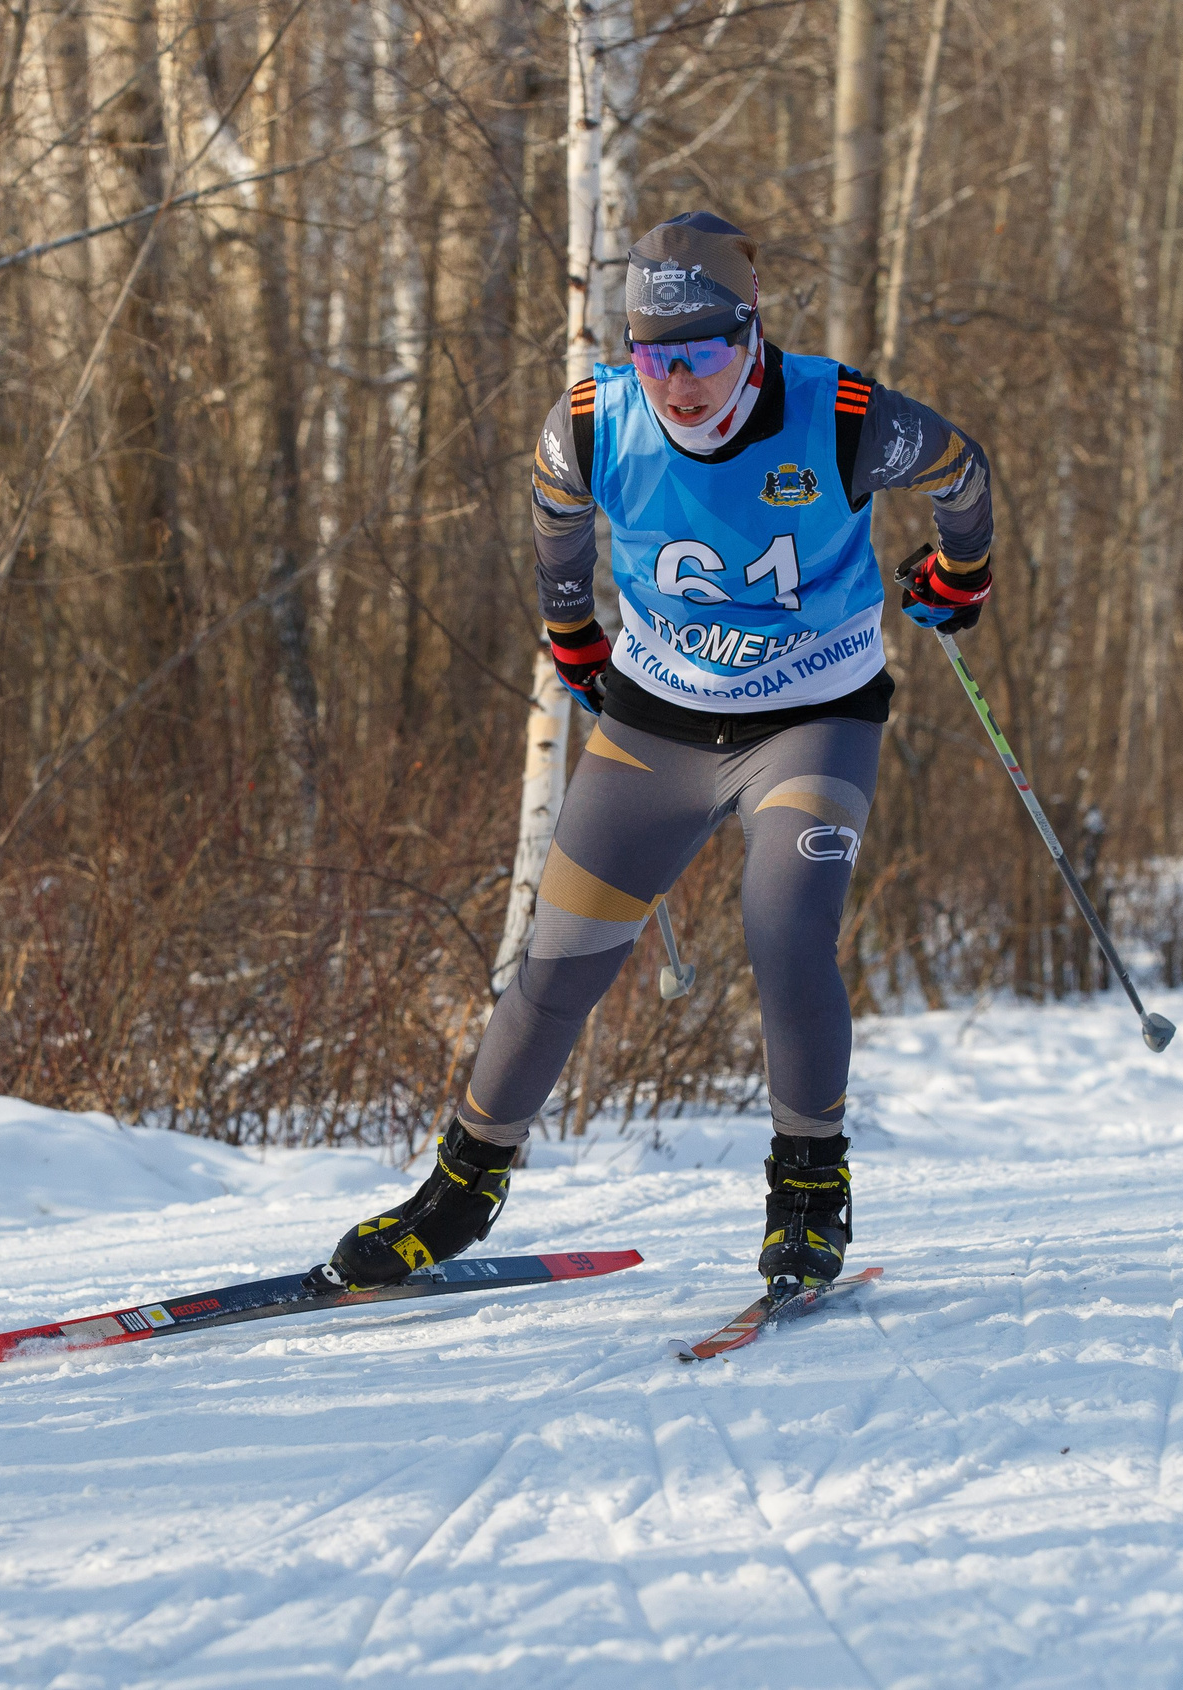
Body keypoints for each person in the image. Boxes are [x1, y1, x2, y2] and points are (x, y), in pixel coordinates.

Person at [306, 211, 995, 1298]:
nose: (677, 381)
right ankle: (455, 1194)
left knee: (785, 930)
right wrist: (572, 631)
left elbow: (961, 471)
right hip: (655, 728)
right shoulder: (591, 421)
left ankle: (809, 1195)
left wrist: (961, 572)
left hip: (810, 723)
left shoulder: (845, 415)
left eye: (701, 351)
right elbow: (553, 515)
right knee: (556, 965)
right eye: (652, 353)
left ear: (749, 333)